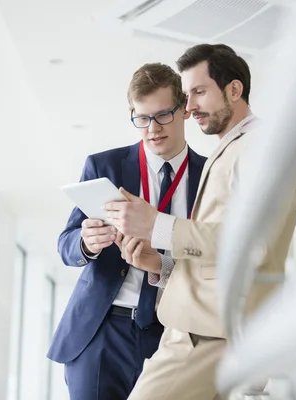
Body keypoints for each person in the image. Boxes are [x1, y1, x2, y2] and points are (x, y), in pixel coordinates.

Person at [105, 44, 296, 399]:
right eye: (187, 95)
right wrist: (163, 264)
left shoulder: (263, 146)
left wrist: (157, 225)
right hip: (202, 326)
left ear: (234, 89)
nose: (190, 105)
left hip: (209, 333)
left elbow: (256, 244)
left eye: (199, 91)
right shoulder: (235, 146)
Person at [47, 62, 207, 400]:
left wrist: (164, 264)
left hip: (173, 333)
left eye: (163, 115)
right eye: (142, 118)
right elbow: (66, 245)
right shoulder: (103, 165)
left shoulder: (211, 176)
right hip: (101, 331)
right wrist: (86, 243)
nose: (152, 129)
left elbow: (213, 260)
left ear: (185, 110)